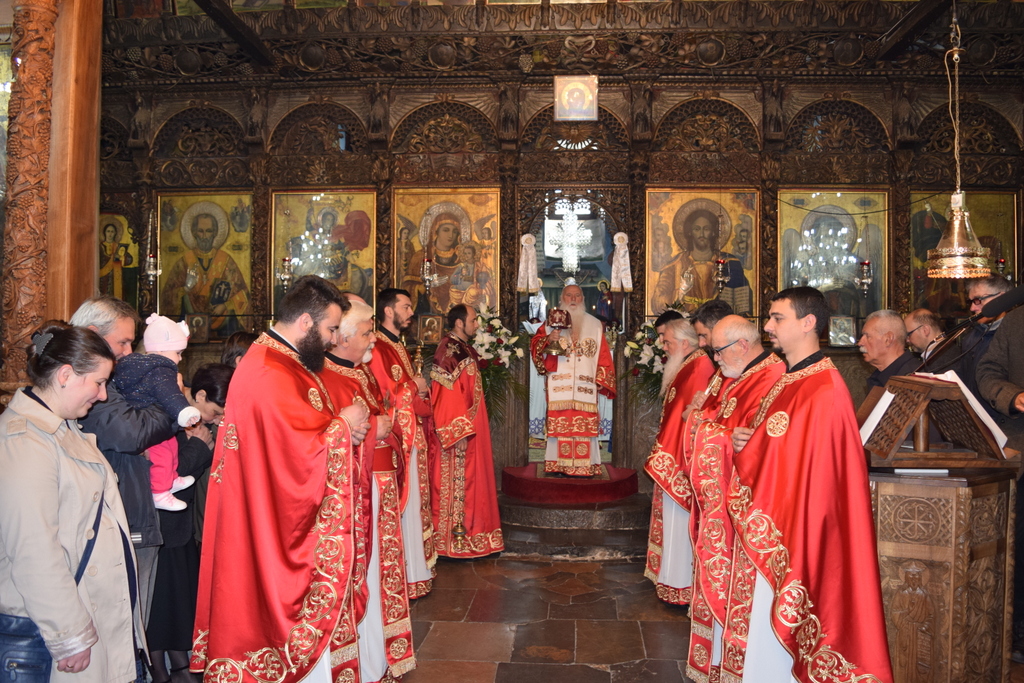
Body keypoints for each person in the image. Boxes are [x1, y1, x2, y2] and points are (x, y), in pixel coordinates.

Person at [705, 287, 892, 683]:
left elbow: (816, 472)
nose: (768, 327)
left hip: (797, 527)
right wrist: (748, 442)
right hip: (777, 514)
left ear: (808, 323)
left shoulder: (823, 387)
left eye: (778, 318)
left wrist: (756, 450)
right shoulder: (792, 378)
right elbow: (780, 443)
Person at [190, 275, 371, 683]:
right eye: (330, 329)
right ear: (306, 322)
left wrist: (344, 427)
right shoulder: (269, 370)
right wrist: (344, 425)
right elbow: (294, 457)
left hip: (267, 512)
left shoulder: (283, 361)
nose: (332, 340)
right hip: (268, 523)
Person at [0, 323, 144, 683]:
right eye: (98, 382)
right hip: (52, 630)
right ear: (65, 375)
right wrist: (69, 635)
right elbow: (33, 550)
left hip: (91, 612)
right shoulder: (25, 442)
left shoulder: (63, 429)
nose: (103, 395)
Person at [680, 316, 784, 678]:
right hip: (722, 503)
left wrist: (708, 428)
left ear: (742, 345)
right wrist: (706, 422)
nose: (715, 358)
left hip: (744, 505)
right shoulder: (737, 373)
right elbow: (719, 418)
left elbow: (759, 438)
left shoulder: (772, 376)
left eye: (719, 350)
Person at [322, 298, 416, 682]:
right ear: (342, 338)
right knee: (366, 575)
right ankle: (367, 661)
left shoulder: (360, 372)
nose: (373, 340)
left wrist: (385, 425)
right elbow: (331, 437)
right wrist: (378, 427)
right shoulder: (325, 377)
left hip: (379, 485)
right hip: (358, 493)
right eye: (365, 334)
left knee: (382, 575)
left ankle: (381, 657)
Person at [72, 296, 177, 629]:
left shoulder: (114, 380)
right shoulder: (90, 387)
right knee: (121, 631)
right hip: (118, 522)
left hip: (132, 513)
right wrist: (171, 401)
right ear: (94, 334)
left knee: (135, 631)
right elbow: (131, 433)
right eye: (123, 342)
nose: (129, 352)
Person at [147, 364, 232, 683]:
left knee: (179, 600)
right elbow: (168, 474)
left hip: (182, 525)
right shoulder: (168, 411)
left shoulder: (198, 423)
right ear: (200, 395)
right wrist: (199, 448)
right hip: (160, 525)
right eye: (215, 412)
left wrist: (201, 449)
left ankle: (181, 665)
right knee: (160, 604)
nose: (218, 420)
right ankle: (162, 671)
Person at [367, 288, 437, 599]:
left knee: (415, 505)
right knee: (404, 507)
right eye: (405, 307)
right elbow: (385, 396)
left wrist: (417, 390)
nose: (411, 313)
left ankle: (415, 572)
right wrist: (414, 386)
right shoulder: (378, 348)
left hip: (411, 435)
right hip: (397, 439)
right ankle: (406, 575)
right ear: (388, 311)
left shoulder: (398, 346)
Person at [642, 317, 714, 605]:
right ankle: (671, 582)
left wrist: (672, 456)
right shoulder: (688, 364)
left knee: (680, 524)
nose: (664, 346)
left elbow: (691, 418)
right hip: (673, 454)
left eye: (668, 341)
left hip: (681, 460)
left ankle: (680, 586)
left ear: (685, 343)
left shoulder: (699, 367)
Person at [429, 304, 504, 558]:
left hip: (474, 427)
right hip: (460, 432)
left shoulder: (463, 348)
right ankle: (453, 542)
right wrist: (458, 432)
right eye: (473, 320)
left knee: (475, 482)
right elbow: (445, 394)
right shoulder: (449, 350)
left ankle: (475, 537)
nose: (477, 324)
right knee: (460, 484)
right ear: (459, 323)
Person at [113, 314, 202, 512]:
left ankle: (171, 478)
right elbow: (170, 396)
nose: (180, 358)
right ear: (161, 350)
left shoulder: (147, 367)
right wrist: (184, 411)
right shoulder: (161, 370)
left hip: (147, 416)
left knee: (171, 446)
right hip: (148, 420)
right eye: (178, 353)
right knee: (161, 455)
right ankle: (160, 492)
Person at [529, 284, 616, 476]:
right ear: (562, 298)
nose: (573, 299)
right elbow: (535, 346)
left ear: (583, 298)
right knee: (560, 425)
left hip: (586, 386)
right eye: (569, 295)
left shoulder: (595, 324)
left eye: (577, 295)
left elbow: (603, 355)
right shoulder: (550, 323)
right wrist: (548, 339)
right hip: (559, 385)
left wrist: (601, 379)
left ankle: (586, 466)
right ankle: (557, 465)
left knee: (584, 425)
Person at [160, 211, 250, 337]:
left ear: (215, 233)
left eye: (208, 231)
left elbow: (242, 293)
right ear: (194, 232)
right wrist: (185, 289)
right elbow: (167, 296)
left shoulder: (226, 260)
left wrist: (225, 306)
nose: (204, 236)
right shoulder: (184, 262)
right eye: (200, 231)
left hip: (222, 324)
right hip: (189, 326)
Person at [652, 204, 752, 314]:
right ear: (690, 232)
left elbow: (742, 304)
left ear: (713, 232)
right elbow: (659, 303)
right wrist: (680, 291)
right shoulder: (675, 265)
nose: (701, 234)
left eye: (706, 229)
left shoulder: (730, 263)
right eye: (697, 229)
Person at [961, 275, 1013, 417]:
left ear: (1001, 299)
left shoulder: (1014, 335)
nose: (972, 308)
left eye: (978, 300)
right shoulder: (971, 336)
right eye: (971, 301)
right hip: (973, 418)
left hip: (1003, 420)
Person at [859, 309, 918, 392]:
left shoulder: (916, 379)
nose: (860, 343)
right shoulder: (877, 377)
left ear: (888, 339)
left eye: (867, 336)